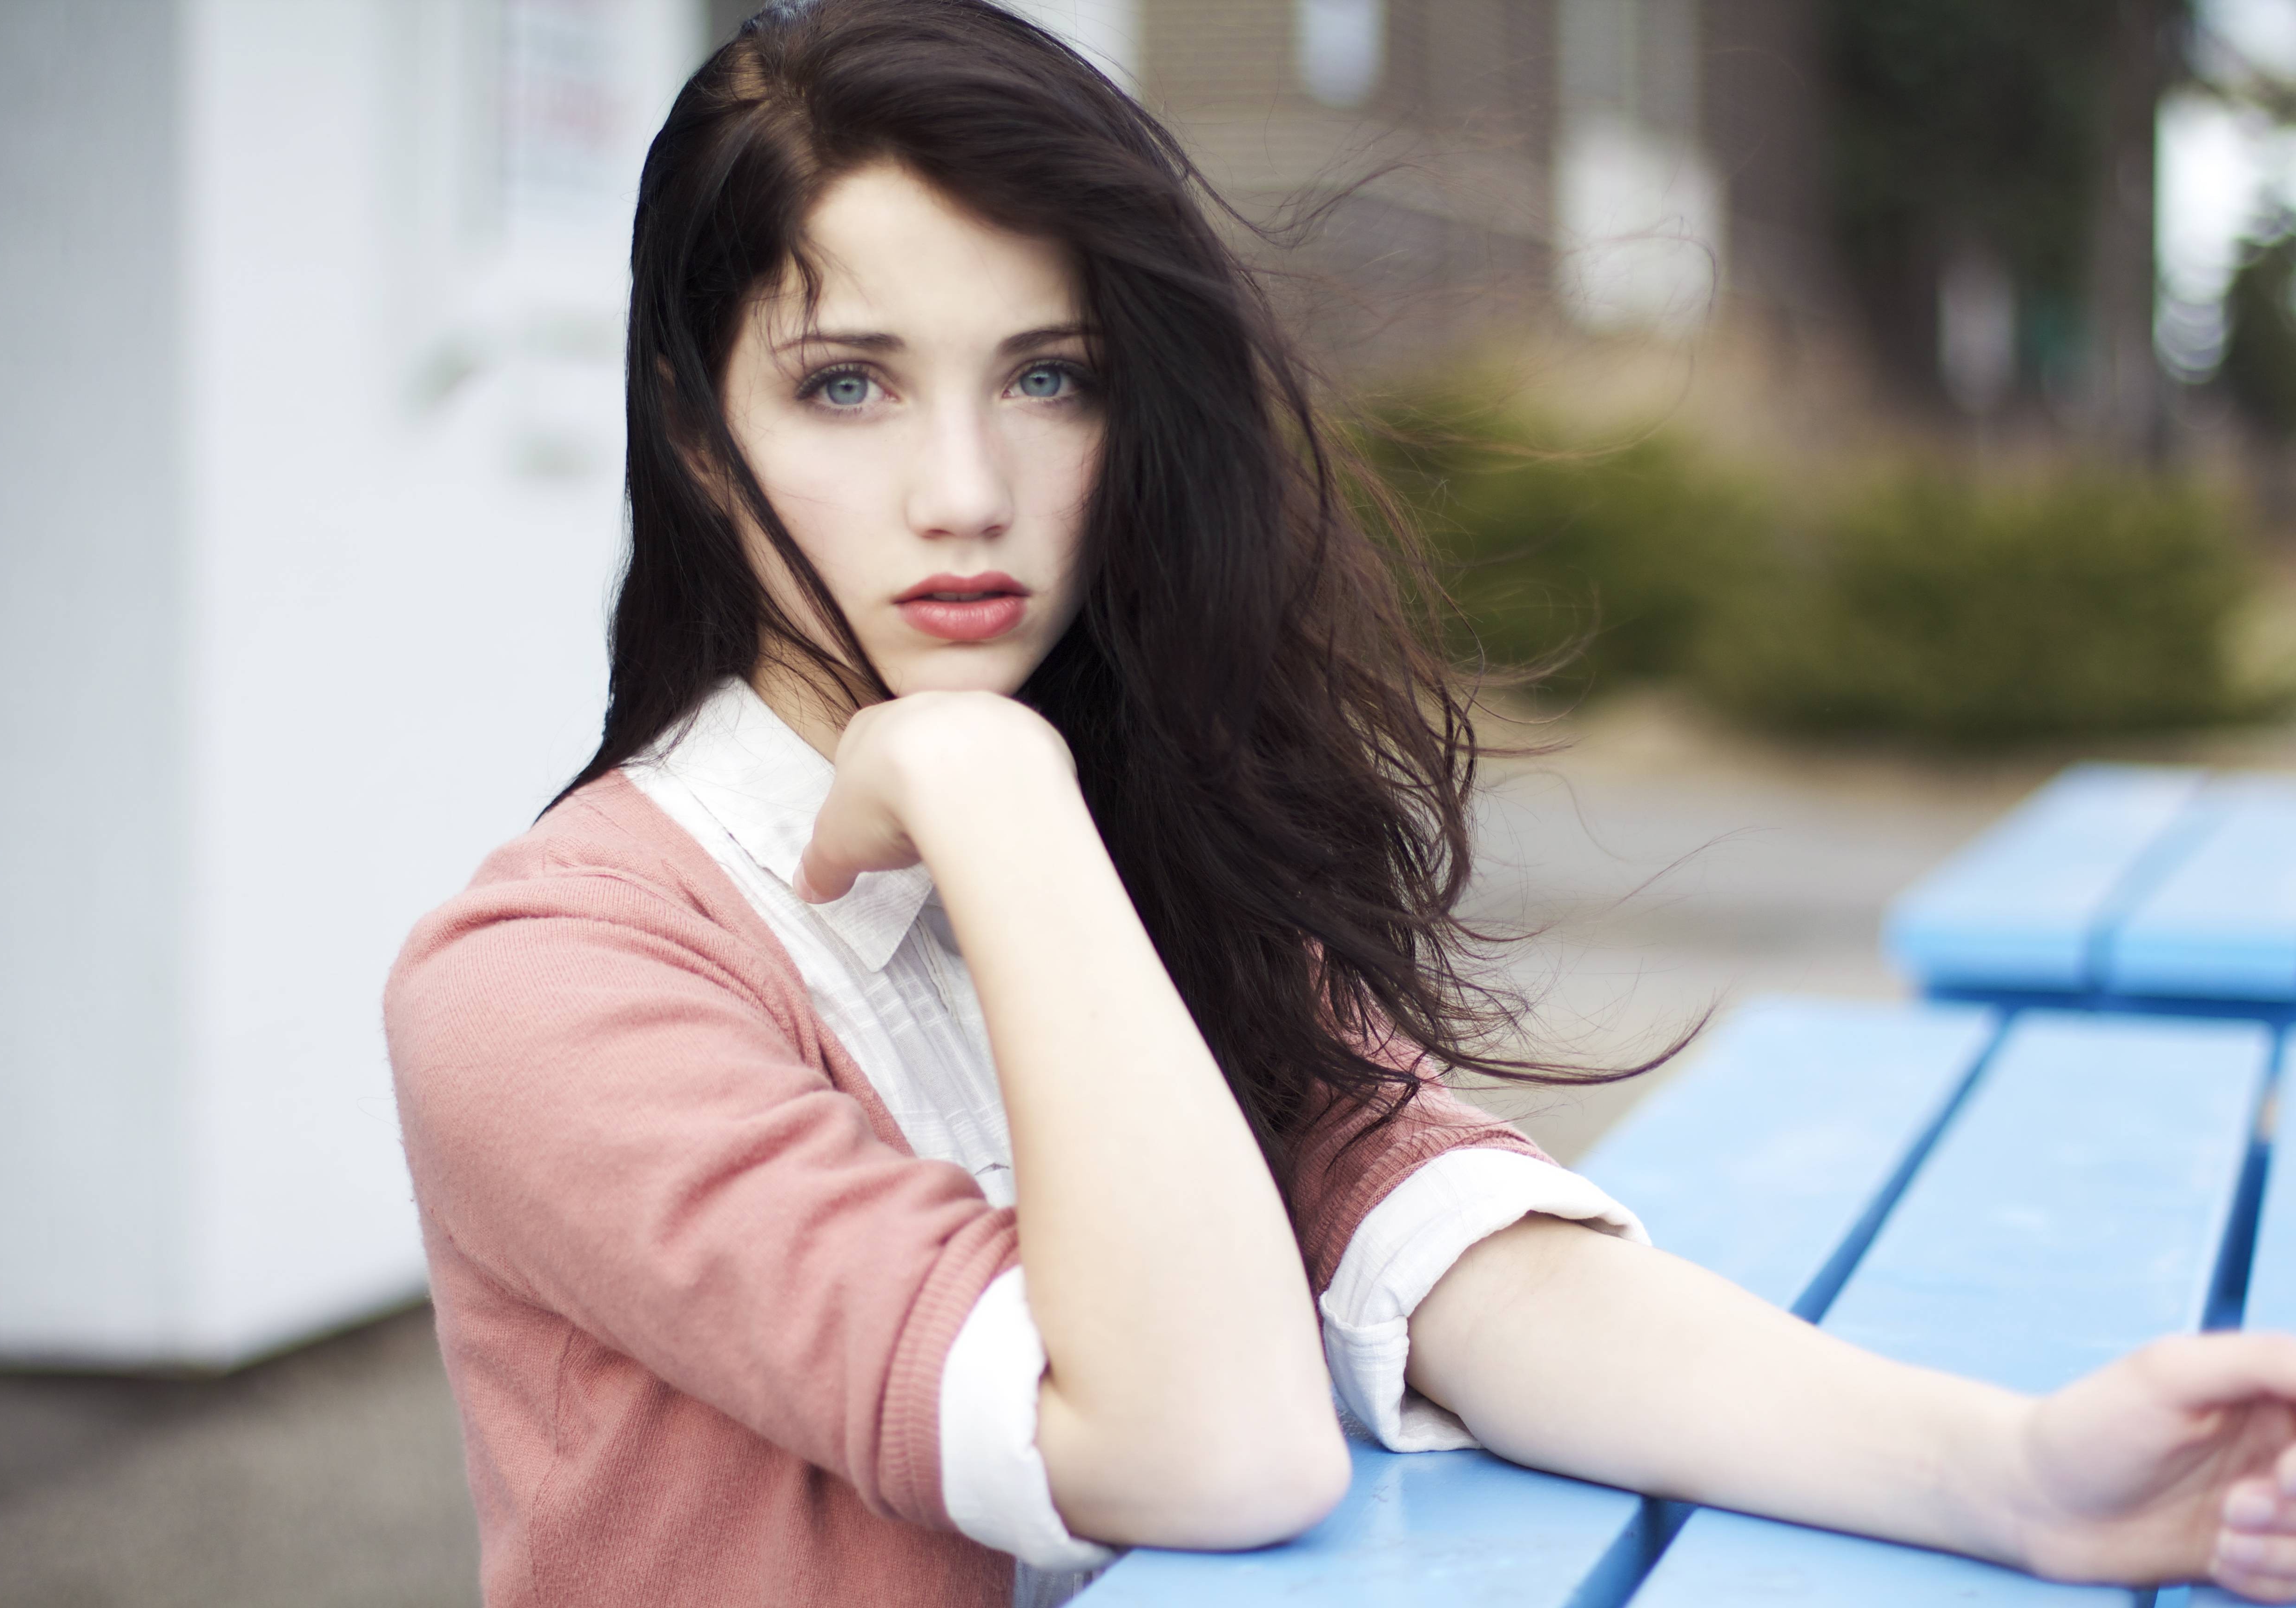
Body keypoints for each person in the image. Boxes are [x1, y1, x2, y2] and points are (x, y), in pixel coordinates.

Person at [383, 3, 2296, 1604]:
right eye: (849, 386)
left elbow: (1467, 1278)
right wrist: (996, 794)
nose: (966, 489)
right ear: (695, 430)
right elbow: (1208, 1449)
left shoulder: (1140, 839)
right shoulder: (551, 991)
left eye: (1051, 377)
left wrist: (2022, 1478)